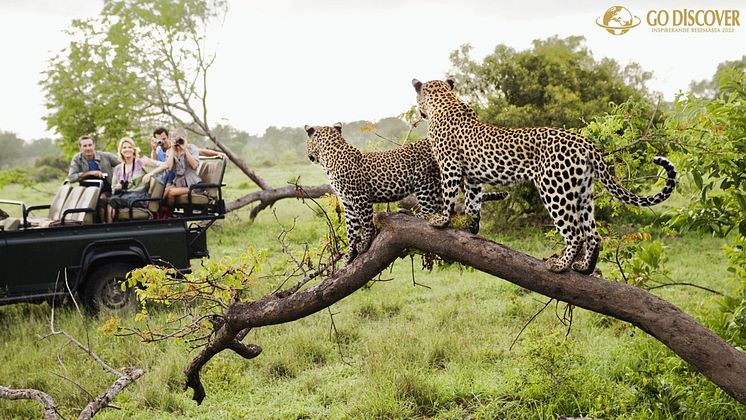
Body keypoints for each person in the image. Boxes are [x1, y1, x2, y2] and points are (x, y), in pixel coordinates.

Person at [106, 137, 169, 223]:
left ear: (134, 150)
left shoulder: (141, 162)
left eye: (129, 147)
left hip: (138, 197)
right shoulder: (117, 168)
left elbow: (165, 166)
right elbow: (113, 188)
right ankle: (109, 226)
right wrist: (118, 187)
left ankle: (111, 228)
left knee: (114, 201)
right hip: (123, 195)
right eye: (124, 148)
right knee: (108, 201)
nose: (127, 149)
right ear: (120, 151)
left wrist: (150, 174)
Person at [68, 135, 120, 222]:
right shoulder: (77, 159)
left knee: (101, 199)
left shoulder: (105, 156)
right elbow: (71, 178)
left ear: (94, 146)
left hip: (106, 190)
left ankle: (104, 224)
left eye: (90, 145)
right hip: (87, 192)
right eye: (85, 146)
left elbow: (123, 165)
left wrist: (118, 178)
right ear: (80, 148)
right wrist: (90, 173)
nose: (88, 148)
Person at [163, 134, 202, 209]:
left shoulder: (192, 148)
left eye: (180, 139)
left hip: (193, 185)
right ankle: (161, 214)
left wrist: (185, 149)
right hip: (179, 183)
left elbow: (194, 166)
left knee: (171, 192)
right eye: (175, 139)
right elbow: (169, 167)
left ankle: (170, 215)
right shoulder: (170, 151)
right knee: (164, 191)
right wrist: (172, 150)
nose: (178, 142)